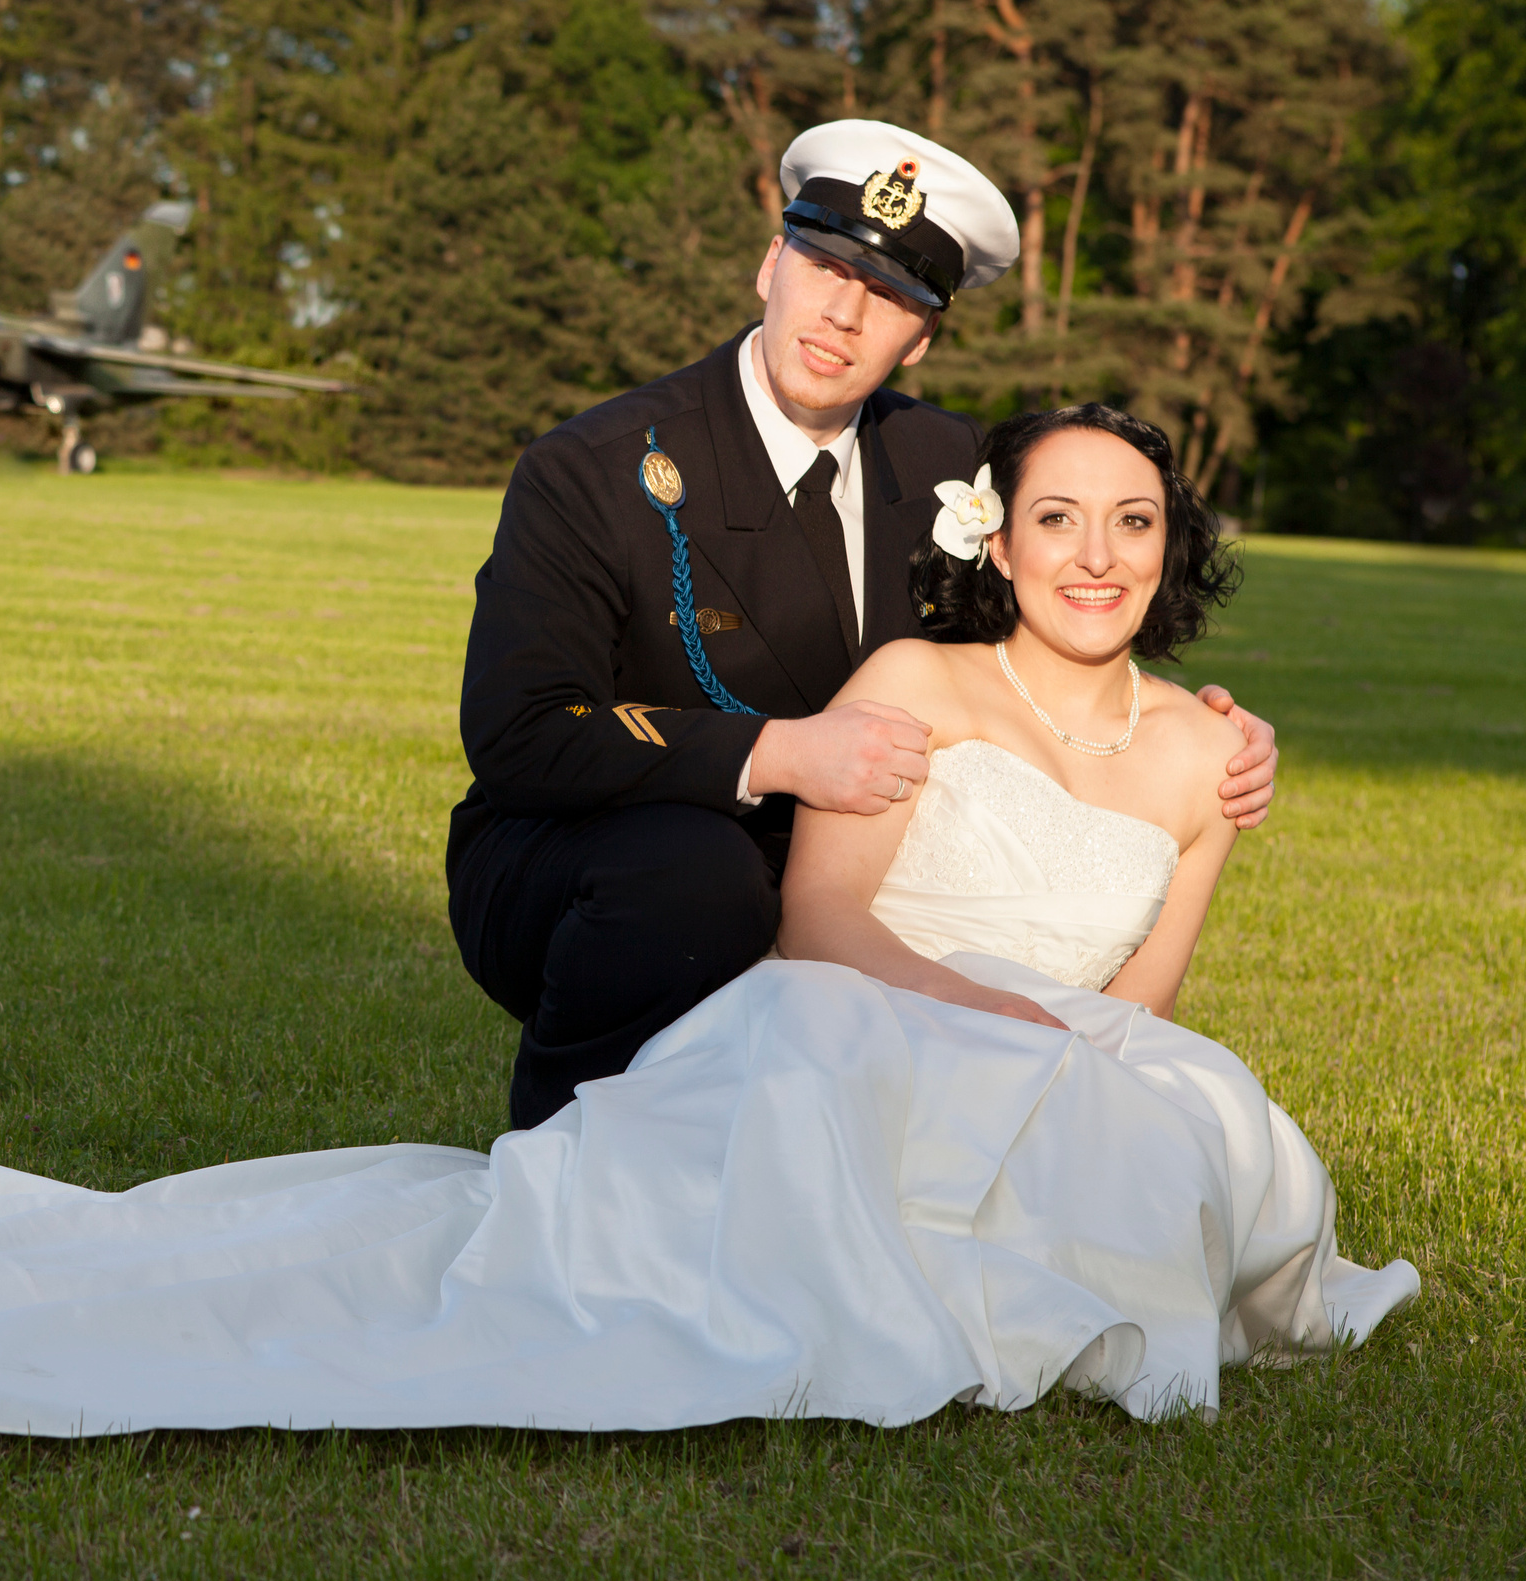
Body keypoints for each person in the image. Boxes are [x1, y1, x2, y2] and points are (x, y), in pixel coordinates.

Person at [0, 404, 1415, 1434]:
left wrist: (1162, 923)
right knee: (572, 1278)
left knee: (1184, 1114)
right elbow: (820, 934)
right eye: (1054, 517)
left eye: (1128, 521)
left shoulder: (1191, 755)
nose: (1092, 553)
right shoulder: (906, 685)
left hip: (1041, 1061)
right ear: (991, 539)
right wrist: (1019, 1047)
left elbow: (1138, 995)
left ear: (1162, 548)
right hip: (866, 1041)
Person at [446, 118, 1279, 1132]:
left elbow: (1075, 582)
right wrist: (777, 750)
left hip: (860, 874)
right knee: (696, 879)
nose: (842, 311)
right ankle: (566, 1160)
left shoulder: (954, 465)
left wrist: (1195, 731)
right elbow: (520, 730)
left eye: (887, 295)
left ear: (921, 338)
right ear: (769, 264)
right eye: (823, 263)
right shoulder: (595, 468)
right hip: (607, 854)